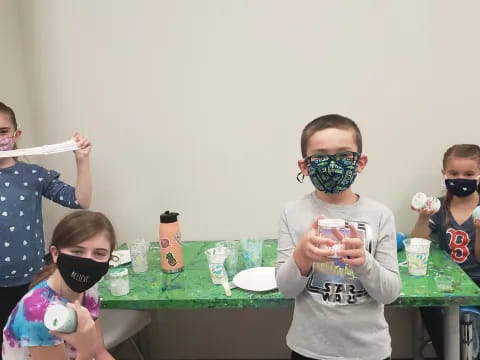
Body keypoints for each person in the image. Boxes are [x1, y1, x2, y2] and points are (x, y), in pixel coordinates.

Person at [276, 114, 401, 360]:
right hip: (309, 348)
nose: (332, 164)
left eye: (344, 155)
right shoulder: (292, 213)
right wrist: (302, 257)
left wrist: (364, 262)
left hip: (369, 351)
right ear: (304, 166)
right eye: (320, 156)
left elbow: (390, 293)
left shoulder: (380, 214)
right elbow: (286, 289)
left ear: (361, 162)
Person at [0, 101, 92, 358]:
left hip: (32, 282)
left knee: (38, 348)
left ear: (16, 135)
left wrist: (82, 160)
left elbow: (80, 200)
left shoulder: (33, 175)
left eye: (2, 131)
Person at [2, 210, 116, 360]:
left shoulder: (90, 290)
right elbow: (91, 351)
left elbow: (100, 353)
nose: (88, 261)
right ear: (55, 254)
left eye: (99, 254)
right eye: (77, 251)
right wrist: (86, 350)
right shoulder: (39, 315)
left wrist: (89, 349)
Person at [411, 144, 480, 359]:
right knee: (428, 305)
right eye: (453, 173)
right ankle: (447, 353)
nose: (461, 178)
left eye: (469, 174)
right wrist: (423, 217)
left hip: (478, 283)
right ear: (444, 174)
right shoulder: (439, 207)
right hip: (446, 285)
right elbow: (416, 244)